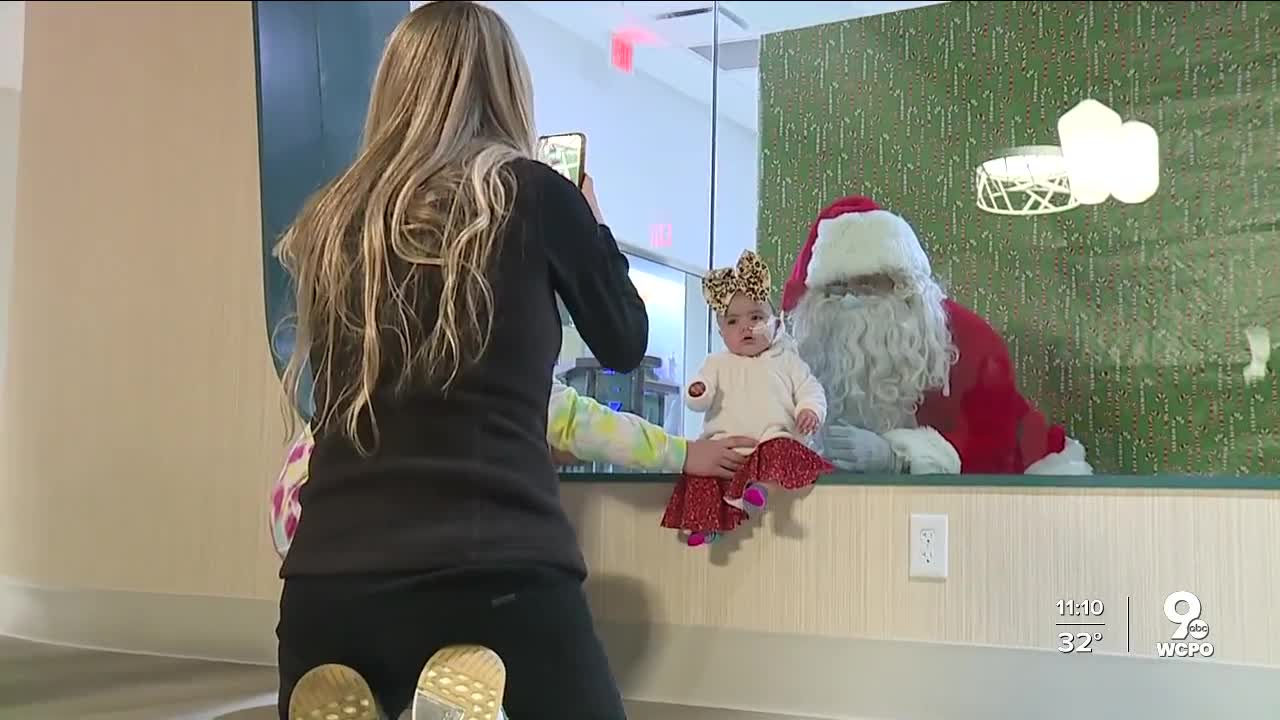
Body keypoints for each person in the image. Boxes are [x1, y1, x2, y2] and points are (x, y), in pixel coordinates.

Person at [272, 3, 654, 718]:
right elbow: (624, 341)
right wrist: (592, 228)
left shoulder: (332, 219)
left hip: (327, 584)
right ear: (506, 89)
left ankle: (379, 682)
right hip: (494, 580)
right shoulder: (534, 193)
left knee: (350, 660)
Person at [781, 195, 1094, 476]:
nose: (850, 301)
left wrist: (897, 456)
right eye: (836, 290)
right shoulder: (803, 343)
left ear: (902, 286)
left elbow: (995, 445)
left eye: (867, 287)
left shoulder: (965, 338)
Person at [270, 382, 759, 559]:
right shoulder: (491, 341)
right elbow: (577, 422)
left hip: (305, 530)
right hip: (399, 550)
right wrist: (683, 453)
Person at [660, 251, 834, 547]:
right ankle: (704, 525)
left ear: (775, 323)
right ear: (721, 333)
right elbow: (699, 393)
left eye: (756, 317)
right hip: (724, 448)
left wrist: (809, 410)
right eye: (733, 322)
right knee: (701, 477)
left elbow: (811, 389)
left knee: (784, 451)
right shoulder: (716, 363)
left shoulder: (786, 361)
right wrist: (698, 392)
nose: (746, 327)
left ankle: (761, 490)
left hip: (768, 443)